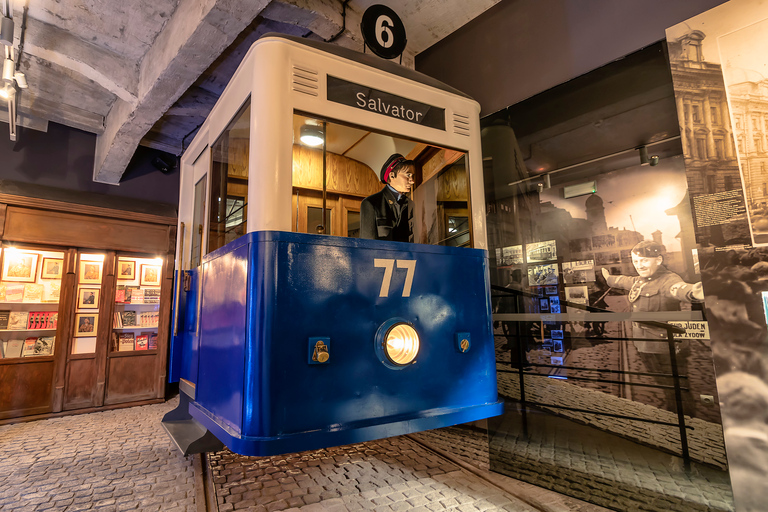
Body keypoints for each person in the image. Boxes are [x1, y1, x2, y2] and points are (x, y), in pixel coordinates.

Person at [602, 240, 704, 411]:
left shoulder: (668, 279)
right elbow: (622, 280)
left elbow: (678, 288)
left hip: (665, 348)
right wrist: (608, 278)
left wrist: (693, 292)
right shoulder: (639, 281)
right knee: (666, 385)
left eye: (644, 260)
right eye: (636, 261)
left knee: (676, 389)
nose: (639, 265)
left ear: (658, 260)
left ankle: (684, 420)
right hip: (645, 346)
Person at [360, 153, 414, 242]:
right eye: (408, 175)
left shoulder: (411, 205)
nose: (412, 181)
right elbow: (367, 245)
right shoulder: (371, 203)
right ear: (392, 175)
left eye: (412, 176)